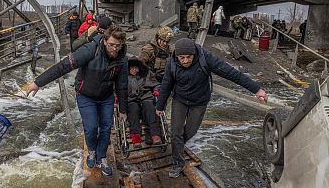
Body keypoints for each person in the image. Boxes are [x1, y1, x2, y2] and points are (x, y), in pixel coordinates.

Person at [155, 38, 268, 178]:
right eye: (181, 58)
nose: (185, 61)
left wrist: (256, 90)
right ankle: (178, 163)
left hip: (199, 101)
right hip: (180, 99)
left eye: (188, 57)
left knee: (190, 131)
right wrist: (160, 106)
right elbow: (166, 84)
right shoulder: (171, 63)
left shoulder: (205, 58)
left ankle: (176, 146)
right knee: (176, 131)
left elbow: (231, 73)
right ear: (176, 56)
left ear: (194, 54)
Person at [26, 25, 128, 176]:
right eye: (111, 45)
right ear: (105, 41)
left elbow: (122, 86)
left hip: (106, 97)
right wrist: (38, 82)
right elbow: (63, 66)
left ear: (122, 44)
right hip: (86, 95)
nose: (114, 49)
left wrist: (123, 110)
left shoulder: (122, 59)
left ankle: (101, 158)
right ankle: (92, 152)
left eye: (118, 46)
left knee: (106, 128)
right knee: (92, 127)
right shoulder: (90, 50)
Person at [127, 56, 162, 148]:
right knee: (133, 108)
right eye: (132, 68)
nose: (135, 70)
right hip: (131, 99)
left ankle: (155, 135)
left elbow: (156, 84)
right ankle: (136, 137)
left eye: (136, 68)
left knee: (149, 106)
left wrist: (156, 90)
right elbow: (116, 89)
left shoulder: (147, 73)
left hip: (146, 96)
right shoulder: (122, 76)